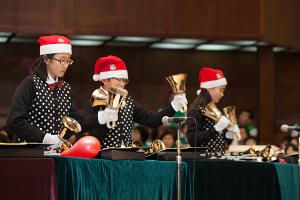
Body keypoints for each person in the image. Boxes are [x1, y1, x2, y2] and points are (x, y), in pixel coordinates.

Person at [6, 35, 98, 145]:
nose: (65, 65)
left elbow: (77, 122)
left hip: (56, 152)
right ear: (46, 59)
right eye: (61, 60)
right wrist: (45, 138)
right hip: (31, 153)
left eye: (68, 61)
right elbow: (14, 121)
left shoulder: (66, 89)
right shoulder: (31, 83)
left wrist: (101, 118)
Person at [87, 55, 188, 148]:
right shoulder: (94, 101)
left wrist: (174, 105)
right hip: (103, 158)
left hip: (125, 156)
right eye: (118, 79)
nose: (122, 84)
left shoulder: (128, 102)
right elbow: (96, 135)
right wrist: (109, 114)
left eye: (124, 80)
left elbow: (152, 121)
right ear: (104, 80)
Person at [187, 67, 239, 154]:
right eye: (221, 90)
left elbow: (220, 141)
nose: (222, 94)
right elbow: (193, 140)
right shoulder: (197, 110)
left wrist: (230, 134)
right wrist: (216, 128)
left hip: (217, 159)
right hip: (204, 161)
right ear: (209, 88)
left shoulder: (216, 111)